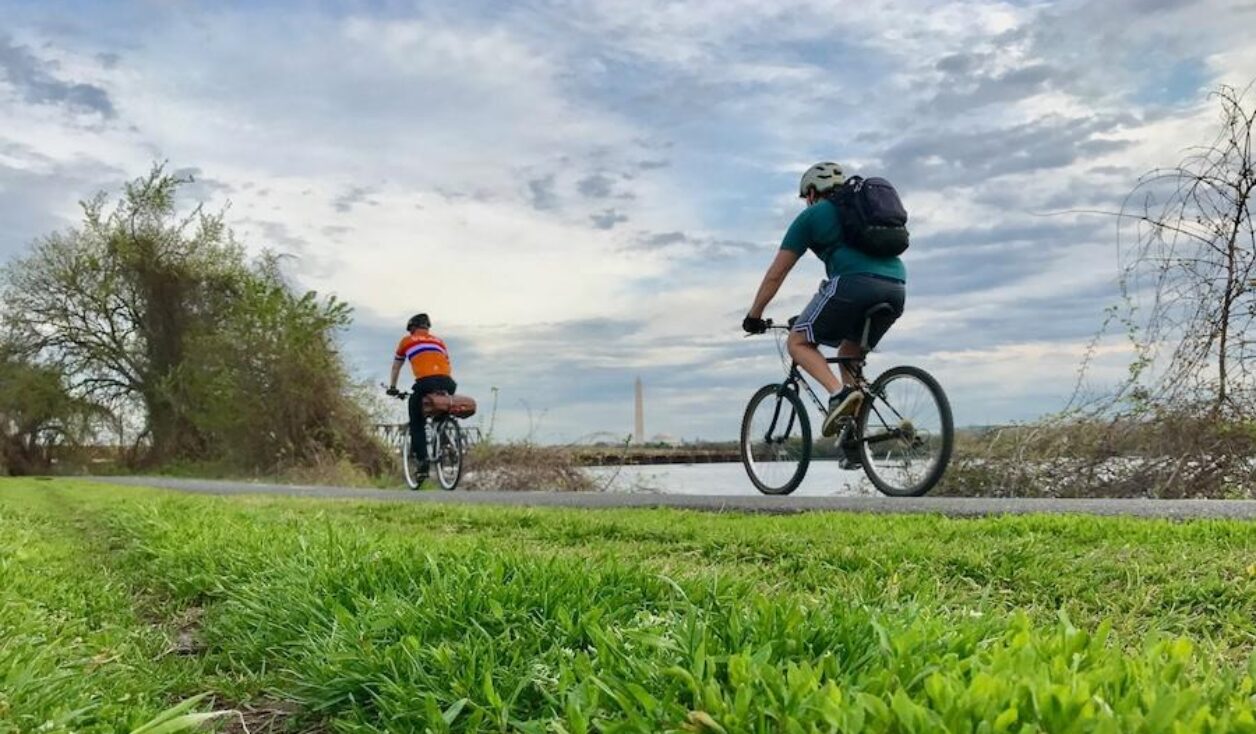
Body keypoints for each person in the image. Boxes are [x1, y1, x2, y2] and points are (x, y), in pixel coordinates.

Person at [743, 161, 907, 443]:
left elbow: (776, 274)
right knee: (848, 355)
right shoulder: (862, 211)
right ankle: (856, 441)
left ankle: (838, 393)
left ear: (810, 193)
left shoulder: (812, 216)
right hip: (896, 288)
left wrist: (754, 315)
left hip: (853, 284)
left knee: (797, 342)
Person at [387, 313, 456, 481]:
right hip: (448, 383)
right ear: (427, 328)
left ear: (412, 328)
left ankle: (423, 462)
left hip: (425, 383)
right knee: (440, 409)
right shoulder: (439, 341)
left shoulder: (406, 341)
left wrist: (393, 388)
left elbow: (396, 366)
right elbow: (447, 365)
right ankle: (444, 438)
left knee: (416, 420)